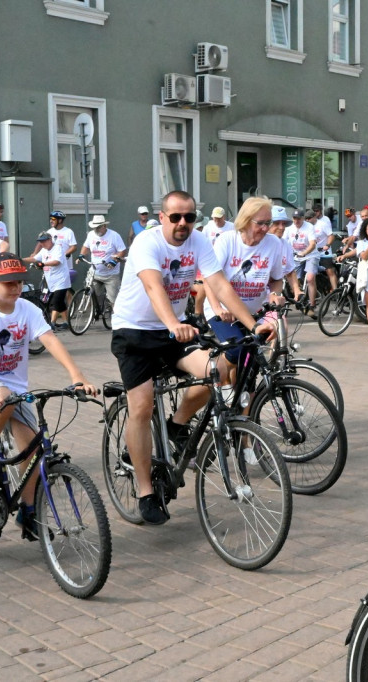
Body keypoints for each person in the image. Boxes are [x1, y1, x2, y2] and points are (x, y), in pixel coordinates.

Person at [109, 190, 273, 525]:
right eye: (176, 217)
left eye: (189, 217)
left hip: (174, 331)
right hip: (136, 333)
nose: (183, 223)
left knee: (218, 369)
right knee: (141, 407)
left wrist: (253, 325)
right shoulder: (146, 243)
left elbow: (221, 285)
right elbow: (154, 286)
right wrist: (172, 322)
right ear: (162, 217)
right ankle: (145, 492)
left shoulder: (198, 241)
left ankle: (177, 425)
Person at [0, 253, 95, 540]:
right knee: (3, 395)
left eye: (19, 281)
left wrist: (76, 374)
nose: (15, 287)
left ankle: (28, 509)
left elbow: (50, 340)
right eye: (8, 282)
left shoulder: (28, 310)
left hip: (14, 387)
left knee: (33, 450)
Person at [201, 196, 286, 374]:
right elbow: (210, 279)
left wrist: (274, 295)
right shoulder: (227, 241)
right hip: (224, 312)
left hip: (255, 312)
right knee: (238, 352)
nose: (265, 228)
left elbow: (277, 279)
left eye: (268, 222)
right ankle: (219, 375)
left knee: (253, 364)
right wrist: (217, 308)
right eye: (260, 223)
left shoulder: (274, 244)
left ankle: (246, 399)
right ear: (246, 221)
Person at [24, 231, 70, 330]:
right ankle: (66, 322)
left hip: (61, 280)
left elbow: (57, 262)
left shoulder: (57, 248)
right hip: (51, 280)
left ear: (50, 240)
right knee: (60, 303)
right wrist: (21, 259)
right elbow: (34, 259)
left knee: (55, 302)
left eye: (44, 241)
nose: (42, 243)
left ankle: (51, 323)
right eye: (41, 241)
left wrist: (44, 264)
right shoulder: (44, 250)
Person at [79, 215, 126, 307]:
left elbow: (122, 250)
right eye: (94, 227)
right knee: (92, 295)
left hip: (111, 274)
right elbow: (86, 246)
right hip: (95, 272)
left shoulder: (114, 236)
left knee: (114, 300)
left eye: (98, 227)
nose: (96, 229)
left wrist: (114, 261)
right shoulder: (91, 235)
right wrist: (81, 255)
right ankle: (95, 312)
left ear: (104, 226)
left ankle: (115, 318)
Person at [269, 208, 302, 300]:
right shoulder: (258, 243)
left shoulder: (286, 245)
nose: (281, 227)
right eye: (276, 223)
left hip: (273, 298)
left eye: (283, 224)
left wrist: (296, 291)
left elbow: (290, 272)